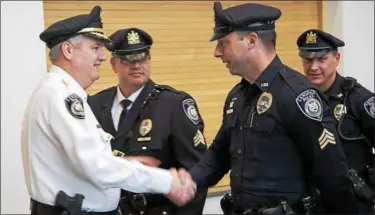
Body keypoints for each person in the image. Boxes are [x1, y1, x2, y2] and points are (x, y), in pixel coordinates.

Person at [20, 6, 196, 215]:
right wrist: (167, 182)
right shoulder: (62, 97)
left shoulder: (56, 91)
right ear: (68, 50)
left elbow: (85, 161)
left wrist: (119, 163)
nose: (102, 57)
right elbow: (97, 167)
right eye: (95, 48)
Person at [189, 2, 359, 214]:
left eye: (224, 43)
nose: (217, 52)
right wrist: (186, 181)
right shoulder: (237, 97)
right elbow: (218, 155)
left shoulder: (296, 94)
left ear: (251, 40)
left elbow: (332, 174)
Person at [87, 27, 208, 215]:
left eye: (142, 58)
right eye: (128, 59)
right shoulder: (94, 104)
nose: (137, 65)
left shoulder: (173, 104)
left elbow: (195, 173)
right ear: (113, 64)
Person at [296, 29, 375, 214]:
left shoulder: (358, 99)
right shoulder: (297, 98)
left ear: (337, 59)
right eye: (307, 60)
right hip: (311, 203)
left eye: (321, 59)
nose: (313, 67)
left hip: (354, 203)